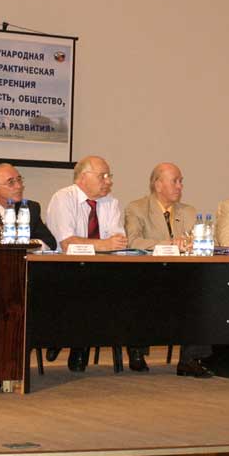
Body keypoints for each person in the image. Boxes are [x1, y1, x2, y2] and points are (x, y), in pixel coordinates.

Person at [46, 155, 134, 373]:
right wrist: (104, 244)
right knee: (86, 288)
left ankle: (75, 342)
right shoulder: (63, 198)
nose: (108, 181)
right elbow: (67, 243)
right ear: (83, 177)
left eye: (109, 176)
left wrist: (105, 245)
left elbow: (118, 242)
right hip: (63, 269)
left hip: (100, 268)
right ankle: (67, 340)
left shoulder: (111, 202)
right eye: (103, 176)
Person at [125, 162, 211, 378]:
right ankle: (137, 351)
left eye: (181, 181)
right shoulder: (137, 208)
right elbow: (133, 242)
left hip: (183, 275)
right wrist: (169, 244)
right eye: (175, 181)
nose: (180, 186)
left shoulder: (188, 211)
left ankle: (190, 360)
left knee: (203, 293)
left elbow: (200, 241)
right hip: (149, 274)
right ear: (158, 185)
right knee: (138, 291)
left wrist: (191, 244)